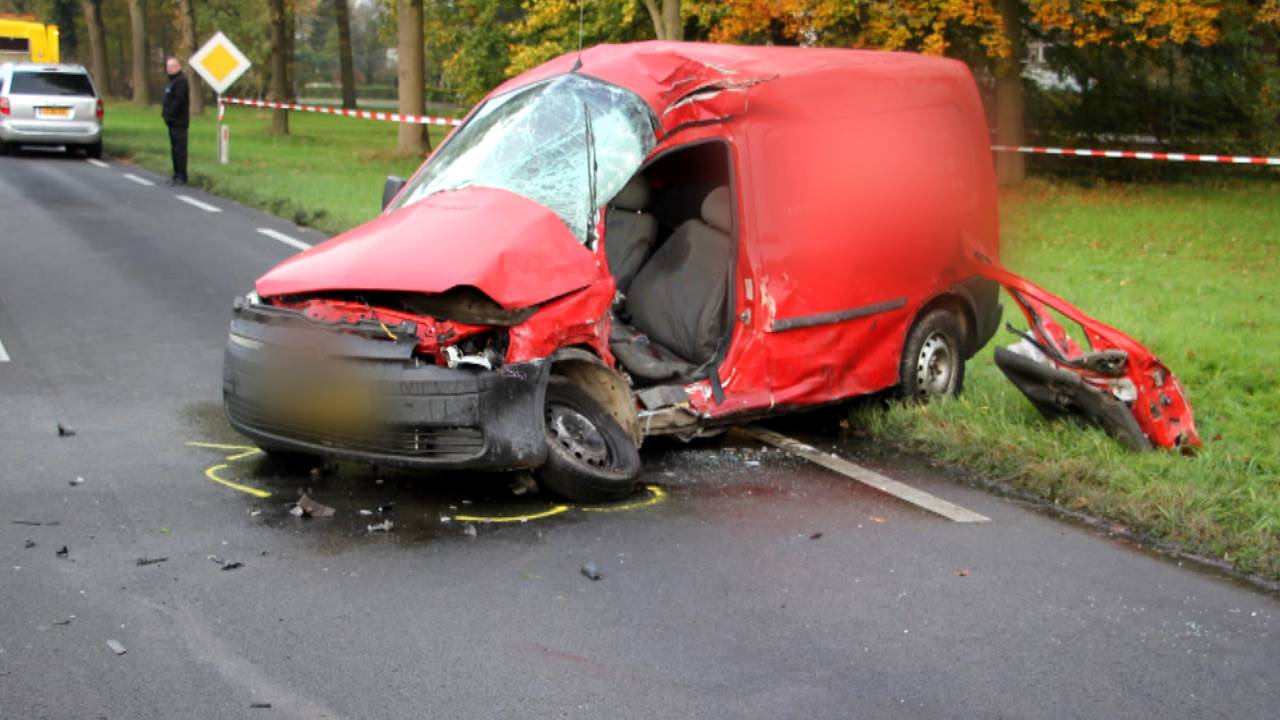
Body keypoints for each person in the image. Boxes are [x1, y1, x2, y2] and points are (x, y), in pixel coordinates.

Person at [161, 57, 189, 186]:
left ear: (178, 67)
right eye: (168, 66)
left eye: (172, 66)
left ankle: (182, 175)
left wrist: (170, 113)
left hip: (179, 121)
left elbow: (178, 101)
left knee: (180, 150)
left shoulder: (181, 81)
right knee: (174, 149)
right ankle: (176, 174)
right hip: (171, 122)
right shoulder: (172, 82)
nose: (169, 69)